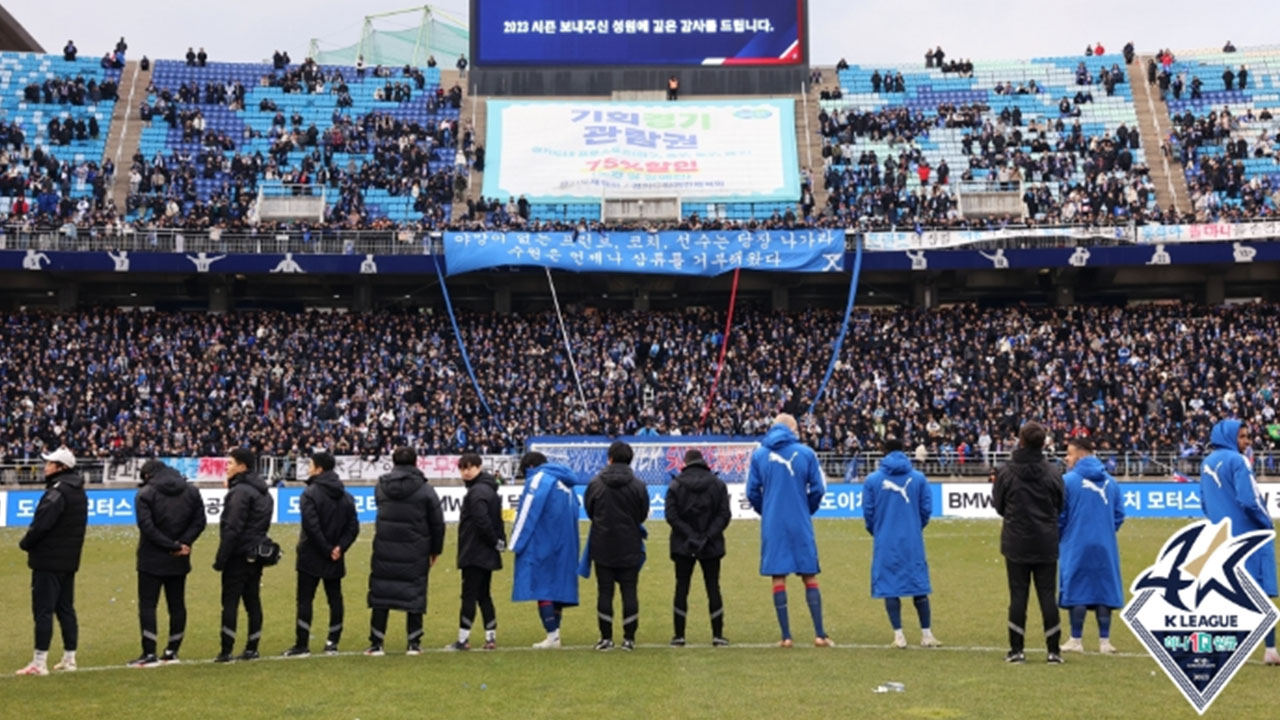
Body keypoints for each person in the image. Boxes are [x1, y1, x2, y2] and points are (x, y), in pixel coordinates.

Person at [746, 413, 834, 648]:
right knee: (809, 574)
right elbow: (818, 488)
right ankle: (819, 635)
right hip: (799, 519)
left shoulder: (760, 454)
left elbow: (752, 491)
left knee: (778, 576)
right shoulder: (806, 453)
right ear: (793, 429)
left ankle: (786, 637)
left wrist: (767, 510)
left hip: (773, 521)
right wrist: (807, 508)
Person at [1199, 420, 1279, 665]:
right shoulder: (1238, 461)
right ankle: (1270, 650)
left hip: (1222, 537)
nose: (1247, 441)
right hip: (1249, 535)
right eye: (1242, 437)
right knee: (1261, 592)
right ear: (1230, 437)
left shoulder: (1206, 463)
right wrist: (1266, 522)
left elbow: (1204, 502)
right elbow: (1249, 499)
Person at [994, 421, 1065, 664]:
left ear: (1020, 441)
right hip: (1045, 540)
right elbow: (1060, 504)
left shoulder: (1006, 471)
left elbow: (999, 505)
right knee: (1047, 594)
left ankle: (1017, 650)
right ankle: (1053, 651)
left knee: (1018, 595)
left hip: (1016, 541)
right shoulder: (1053, 472)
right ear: (1043, 443)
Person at [365, 446, 445, 656]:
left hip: (385, 547)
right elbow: (438, 523)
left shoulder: (381, 486)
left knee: (382, 593)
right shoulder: (426, 489)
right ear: (416, 462)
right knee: (415, 593)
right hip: (416, 548)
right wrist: (435, 549)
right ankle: (413, 643)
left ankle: (376, 643)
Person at [128, 460, 207, 667]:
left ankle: (149, 652)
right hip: (180, 557)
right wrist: (183, 544)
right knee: (177, 604)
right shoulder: (191, 491)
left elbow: (147, 527)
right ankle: (172, 650)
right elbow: (199, 521)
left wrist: (170, 545)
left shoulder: (145, 493)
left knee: (148, 605)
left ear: (147, 475)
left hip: (151, 557)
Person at [15, 448, 87, 676]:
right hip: (69, 559)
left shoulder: (57, 492)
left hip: (48, 559)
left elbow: (42, 524)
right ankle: (69, 657)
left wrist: (26, 543)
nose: (46, 467)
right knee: (65, 608)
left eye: (50, 463)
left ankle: (39, 661)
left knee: (43, 610)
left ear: (61, 467)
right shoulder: (79, 491)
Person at [863, 438, 939, 649]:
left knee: (890, 587)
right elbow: (926, 510)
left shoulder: (872, 480)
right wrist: (914, 527)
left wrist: (878, 531)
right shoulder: (919, 478)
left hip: (885, 539)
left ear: (882, 451)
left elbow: (868, 513)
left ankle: (899, 636)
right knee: (918, 584)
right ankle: (927, 634)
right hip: (912, 539)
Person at [282, 452, 359, 658]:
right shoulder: (346, 495)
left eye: (311, 464)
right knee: (335, 598)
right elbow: (353, 527)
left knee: (305, 599)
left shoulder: (310, 493)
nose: (308, 468)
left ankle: (302, 644)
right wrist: (339, 548)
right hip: (335, 555)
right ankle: (332, 642)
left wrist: (327, 548)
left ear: (319, 469)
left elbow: (311, 526)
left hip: (312, 554)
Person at [1056, 437, 1123, 655]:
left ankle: (1076, 639)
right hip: (1104, 545)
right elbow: (1119, 515)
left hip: (1075, 544)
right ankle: (1105, 642)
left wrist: (1062, 534)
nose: (1067, 458)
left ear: (1081, 454)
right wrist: (1103, 530)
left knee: (1077, 588)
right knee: (1103, 588)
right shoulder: (1111, 482)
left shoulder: (1067, 481)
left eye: (1069, 453)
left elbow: (1059, 515)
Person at [510, 452, 582, 649]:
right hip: (566, 544)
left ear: (531, 466)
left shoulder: (539, 479)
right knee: (556, 588)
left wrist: (515, 543)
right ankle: (555, 635)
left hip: (545, 542)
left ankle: (552, 635)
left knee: (543, 587)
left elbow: (527, 512)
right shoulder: (565, 484)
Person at [584, 440, 649, 651]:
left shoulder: (595, 483)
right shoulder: (638, 485)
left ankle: (606, 638)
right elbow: (642, 514)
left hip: (602, 544)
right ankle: (629, 638)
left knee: (605, 591)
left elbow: (590, 511)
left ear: (609, 458)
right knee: (629, 591)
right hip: (629, 544)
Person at [666, 449, 731, 647]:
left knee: (681, 588)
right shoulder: (717, 484)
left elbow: (671, 515)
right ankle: (717, 635)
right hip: (711, 543)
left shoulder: (676, 485)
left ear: (685, 463)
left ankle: (679, 635)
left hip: (683, 543)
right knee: (713, 587)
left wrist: (690, 535)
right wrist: (707, 536)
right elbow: (724, 514)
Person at [214, 448, 273, 663]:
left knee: (230, 602)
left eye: (230, 463)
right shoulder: (263, 492)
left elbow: (232, 528)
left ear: (242, 466)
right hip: (256, 553)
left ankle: (226, 650)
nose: (226, 467)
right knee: (253, 600)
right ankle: (252, 647)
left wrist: (221, 558)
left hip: (238, 555)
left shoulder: (240, 493)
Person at [446, 454, 507, 651]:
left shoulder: (477, 492)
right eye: (462, 468)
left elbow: (483, 521)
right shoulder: (487, 489)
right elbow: (496, 520)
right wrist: (499, 541)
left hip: (475, 551)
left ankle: (463, 639)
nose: (465, 471)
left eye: (469, 467)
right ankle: (490, 637)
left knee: (469, 595)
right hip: (485, 551)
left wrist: (494, 540)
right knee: (484, 595)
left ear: (479, 468)